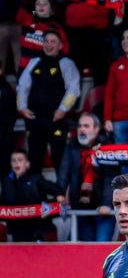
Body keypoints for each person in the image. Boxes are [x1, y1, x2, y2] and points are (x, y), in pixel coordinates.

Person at [18, 28, 81, 171]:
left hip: (56, 119)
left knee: (59, 159)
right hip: (35, 119)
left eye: (53, 41)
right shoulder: (34, 61)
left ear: (60, 45)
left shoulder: (66, 62)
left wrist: (62, 109)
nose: (49, 44)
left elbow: (73, 89)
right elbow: (22, 85)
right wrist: (22, 106)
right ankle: (36, 194)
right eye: (46, 41)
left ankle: (61, 193)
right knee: (34, 160)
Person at [1, 148, 50, 242]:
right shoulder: (7, 181)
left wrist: (59, 195)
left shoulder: (36, 179)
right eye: (13, 160)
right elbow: (3, 201)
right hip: (17, 230)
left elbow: (51, 187)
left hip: (35, 230)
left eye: (20, 160)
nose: (16, 163)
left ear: (27, 164)